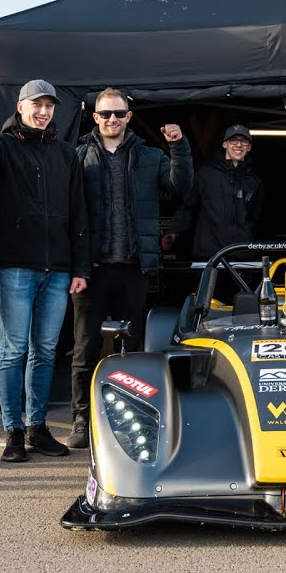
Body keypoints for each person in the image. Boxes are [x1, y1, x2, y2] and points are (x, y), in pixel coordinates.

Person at [0, 76, 90, 463]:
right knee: (13, 349)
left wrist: (80, 267)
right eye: (35, 104)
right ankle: (13, 432)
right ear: (20, 107)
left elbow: (79, 214)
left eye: (49, 106)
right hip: (16, 266)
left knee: (46, 350)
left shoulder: (66, 154)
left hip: (58, 270)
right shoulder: (2, 146)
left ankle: (37, 428)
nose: (42, 111)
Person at [68, 88, 193, 448]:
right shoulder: (77, 156)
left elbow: (181, 186)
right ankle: (81, 417)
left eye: (118, 113)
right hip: (91, 268)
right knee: (85, 346)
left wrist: (179, 147)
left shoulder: (151, 156)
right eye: (105, 114)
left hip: (135, 265)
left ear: (129, 116)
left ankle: (135, 411)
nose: (112, 119)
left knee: (135, 347)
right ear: (95, 117)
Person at [171, 124, 263, 261]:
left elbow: (256, 218)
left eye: (243, 141)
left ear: (249, 147)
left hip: (242, 255)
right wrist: (174, 231)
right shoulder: (205, 175)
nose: (238, 145)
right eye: (233, 140)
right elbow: (188, 207)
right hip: (209, 255)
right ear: (225, 144)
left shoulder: (254, 181)